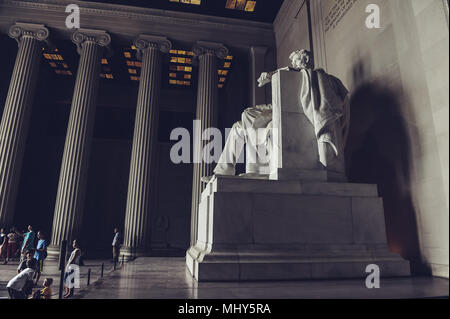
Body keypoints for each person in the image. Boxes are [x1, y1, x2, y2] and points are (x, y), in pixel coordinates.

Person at [206, 49, 349, 180]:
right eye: (292, 62)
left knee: (254, 122)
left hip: (290, 113)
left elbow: (296, 73)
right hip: (279, 110)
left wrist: (273, 74)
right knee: (238, 126)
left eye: (296, 60)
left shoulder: (313, 76)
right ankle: (224, 171)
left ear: (305, 61)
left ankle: (258, 170)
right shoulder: (299, 77)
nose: (293, 64)